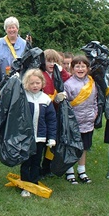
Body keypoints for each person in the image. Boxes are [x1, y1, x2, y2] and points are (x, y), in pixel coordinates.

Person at [20, 68, 57, 197]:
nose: (35, 86)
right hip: (26, 137)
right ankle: (25, 185)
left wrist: (51, 137)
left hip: (40, 137)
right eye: (31, 83)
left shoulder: (46, 99)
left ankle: (34, 183)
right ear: (26, 84)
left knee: (36, 162)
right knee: (26, 162)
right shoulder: (23, 97)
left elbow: (51, 120)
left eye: (37, 83)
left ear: (42, 83)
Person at [63, 55, 98, 184]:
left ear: (88, 68)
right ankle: (69, 171)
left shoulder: (91, 82)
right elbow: (65, 105)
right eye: (77, 66)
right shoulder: (68, 84)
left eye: (83, 66)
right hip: (74, 122)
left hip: (88, 121)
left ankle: (82, 171)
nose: (80, 68)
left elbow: (95, 100)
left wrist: (95, 113)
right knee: (72, 147)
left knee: (83, 147)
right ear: (72, 69)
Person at [40, 49, 70, 177]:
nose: (52, 64)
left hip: (56, 111)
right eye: (49, 61)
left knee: (53, 140)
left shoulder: (58, 74)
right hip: (44, 111)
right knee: (42, 140)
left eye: (55, 61)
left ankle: (47, 166)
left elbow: (68, 78)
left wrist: (61, 70)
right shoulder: (41, 74)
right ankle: (39, 166)